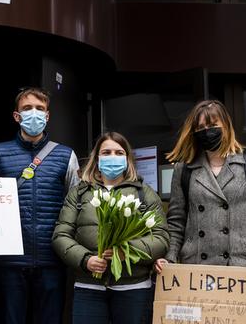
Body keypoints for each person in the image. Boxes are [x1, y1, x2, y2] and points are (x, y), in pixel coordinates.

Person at [0, 87, 80, 324]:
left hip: (52, 259)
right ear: (17, 116)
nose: (33, 113)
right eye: (27, 108)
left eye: (40, 109)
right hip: (9, 260)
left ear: (47, 116)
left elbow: (75, 204)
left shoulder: (66, 155)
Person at [155, 100, 246, 282]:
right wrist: (169, 258)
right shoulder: (184, 169)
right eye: (201, 127)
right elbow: (176, 222)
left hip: (240, 270)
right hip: (195, 270)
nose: (207, 131)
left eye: (213, 125)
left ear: (226, 126)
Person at [52, 132, 169, 324]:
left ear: (127, 158)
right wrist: (85, 260)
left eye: (118, 152)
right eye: (106, 152)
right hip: (89, 287)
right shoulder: (80, 192)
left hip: (133, 287)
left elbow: (161, 237)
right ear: (97, 158)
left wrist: (127, 251)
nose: (112, 157)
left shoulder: (144, 193)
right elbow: (61, 235)